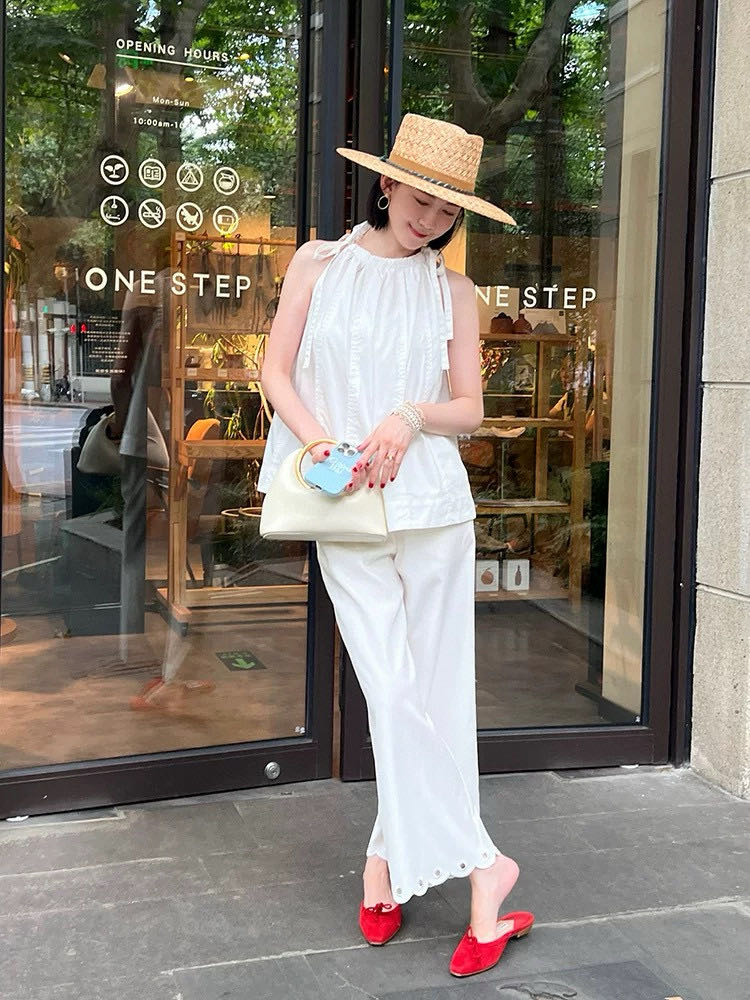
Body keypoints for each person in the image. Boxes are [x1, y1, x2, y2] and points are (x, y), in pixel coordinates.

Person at [257, 113, 534, 978]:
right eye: (421, 201)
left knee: (438, 694)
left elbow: (470, 410)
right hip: (345, 506)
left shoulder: (452, 290)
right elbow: (274, 372)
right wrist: (320, 445)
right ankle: (485, 866)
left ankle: (384, 866)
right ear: (386, 183)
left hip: (434, 511)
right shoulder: (317, 263)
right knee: (390, 690)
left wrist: (409, 417)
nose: (430, 221)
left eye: (448, 212)